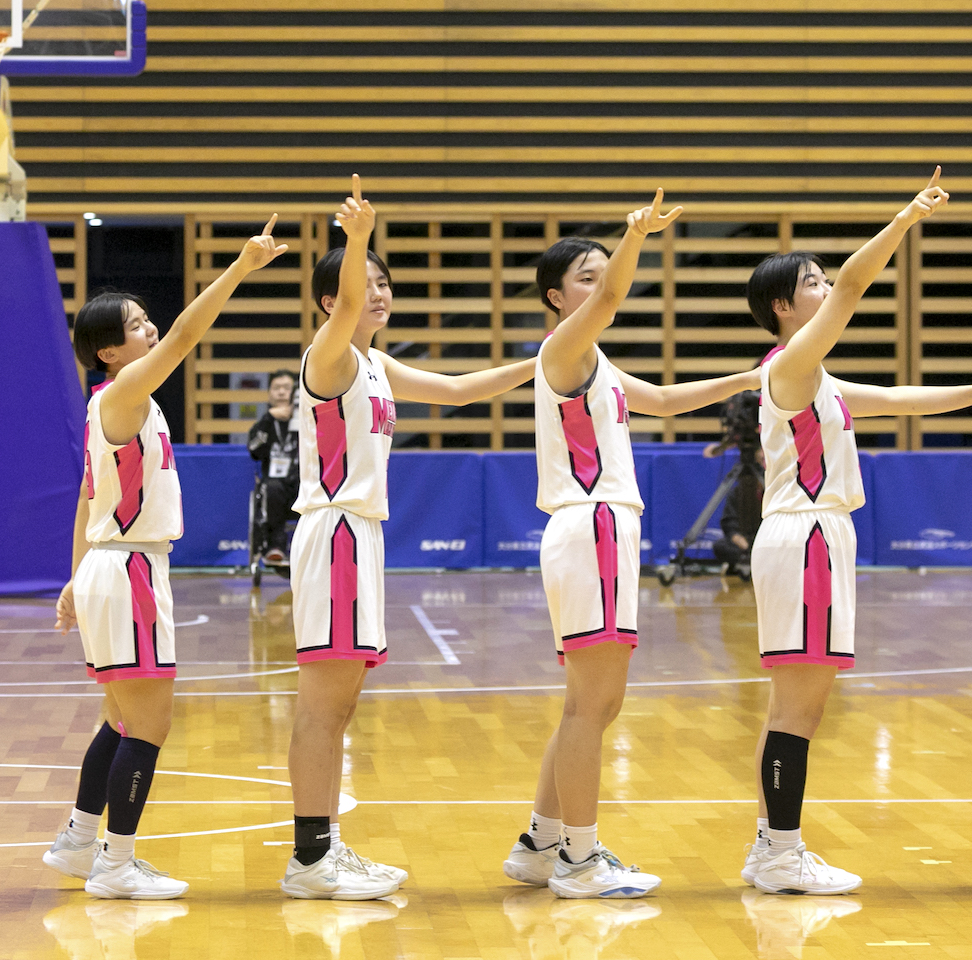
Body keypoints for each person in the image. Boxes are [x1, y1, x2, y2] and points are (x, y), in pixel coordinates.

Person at [740, 168, 972, 896]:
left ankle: (771, 847)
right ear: (786, 307)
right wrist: (907, 217)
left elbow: (897, 397)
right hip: (807, 537)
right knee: (800, 708)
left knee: (789, 706)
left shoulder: (815, 379)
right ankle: (781, 853)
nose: (830, 289)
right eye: (815, 283)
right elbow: (857, 287)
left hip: (814, 539)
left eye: (826, 279)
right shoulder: (791, 365)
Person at [282, 175, 538, 900]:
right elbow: (347, 299)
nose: (382, 292)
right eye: (367, 283)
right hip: (333, 530)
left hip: (360, 537)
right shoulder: (327, 357)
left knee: (341, 705)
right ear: (332, 303)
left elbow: (458, 390)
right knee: (322, 705)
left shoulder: (377, 364)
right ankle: (309, 860)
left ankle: (323, 847)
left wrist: (544, 362)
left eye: (386, 282)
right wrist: (357, 237)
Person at [502, 191, 761, 899]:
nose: (601, 284)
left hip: (594, 529)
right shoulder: (563, 348)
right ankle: (580, 862)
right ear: (556, 297)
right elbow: (615, 297)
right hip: (592, 524)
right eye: (586, 276)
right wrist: (635, 235)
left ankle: (540, 843)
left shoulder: (595, 363)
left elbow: (670, 401)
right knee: (595, 704)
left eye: (600, 272)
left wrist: (748, 378)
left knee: (588, 703)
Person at [47, 219, 288, 899]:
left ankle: (76, 841)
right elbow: (187, 335)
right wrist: (239, 268)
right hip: (127, 571)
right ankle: (117, 864)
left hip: (107, 565)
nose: (152, 328)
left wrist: (72, 578)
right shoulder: (123, 395)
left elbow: (87, 498)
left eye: (148, 318)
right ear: (109, 352)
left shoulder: (122, 404)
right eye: (137, 325)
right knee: (149, 725)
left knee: (120, 720)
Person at [247, 369, 301, 563]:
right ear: (269, 394)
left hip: (301, 485)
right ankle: (275, 547)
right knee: (272, 488)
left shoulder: (307, 421)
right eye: (276, 388)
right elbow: (254, 450)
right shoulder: (265, 423)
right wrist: (269, 419)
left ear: (295, 393)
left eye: (286, 388)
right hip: (275, 489)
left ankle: (307, 549)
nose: (281, 392)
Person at [710, 390, 764, 577]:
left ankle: (758, 555)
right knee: (721, 547)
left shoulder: (770, 487)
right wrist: (736, 538)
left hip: (765, 540)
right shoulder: (737, 490)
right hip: (741, 542)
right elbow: (728, 522)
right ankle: (746, 557)